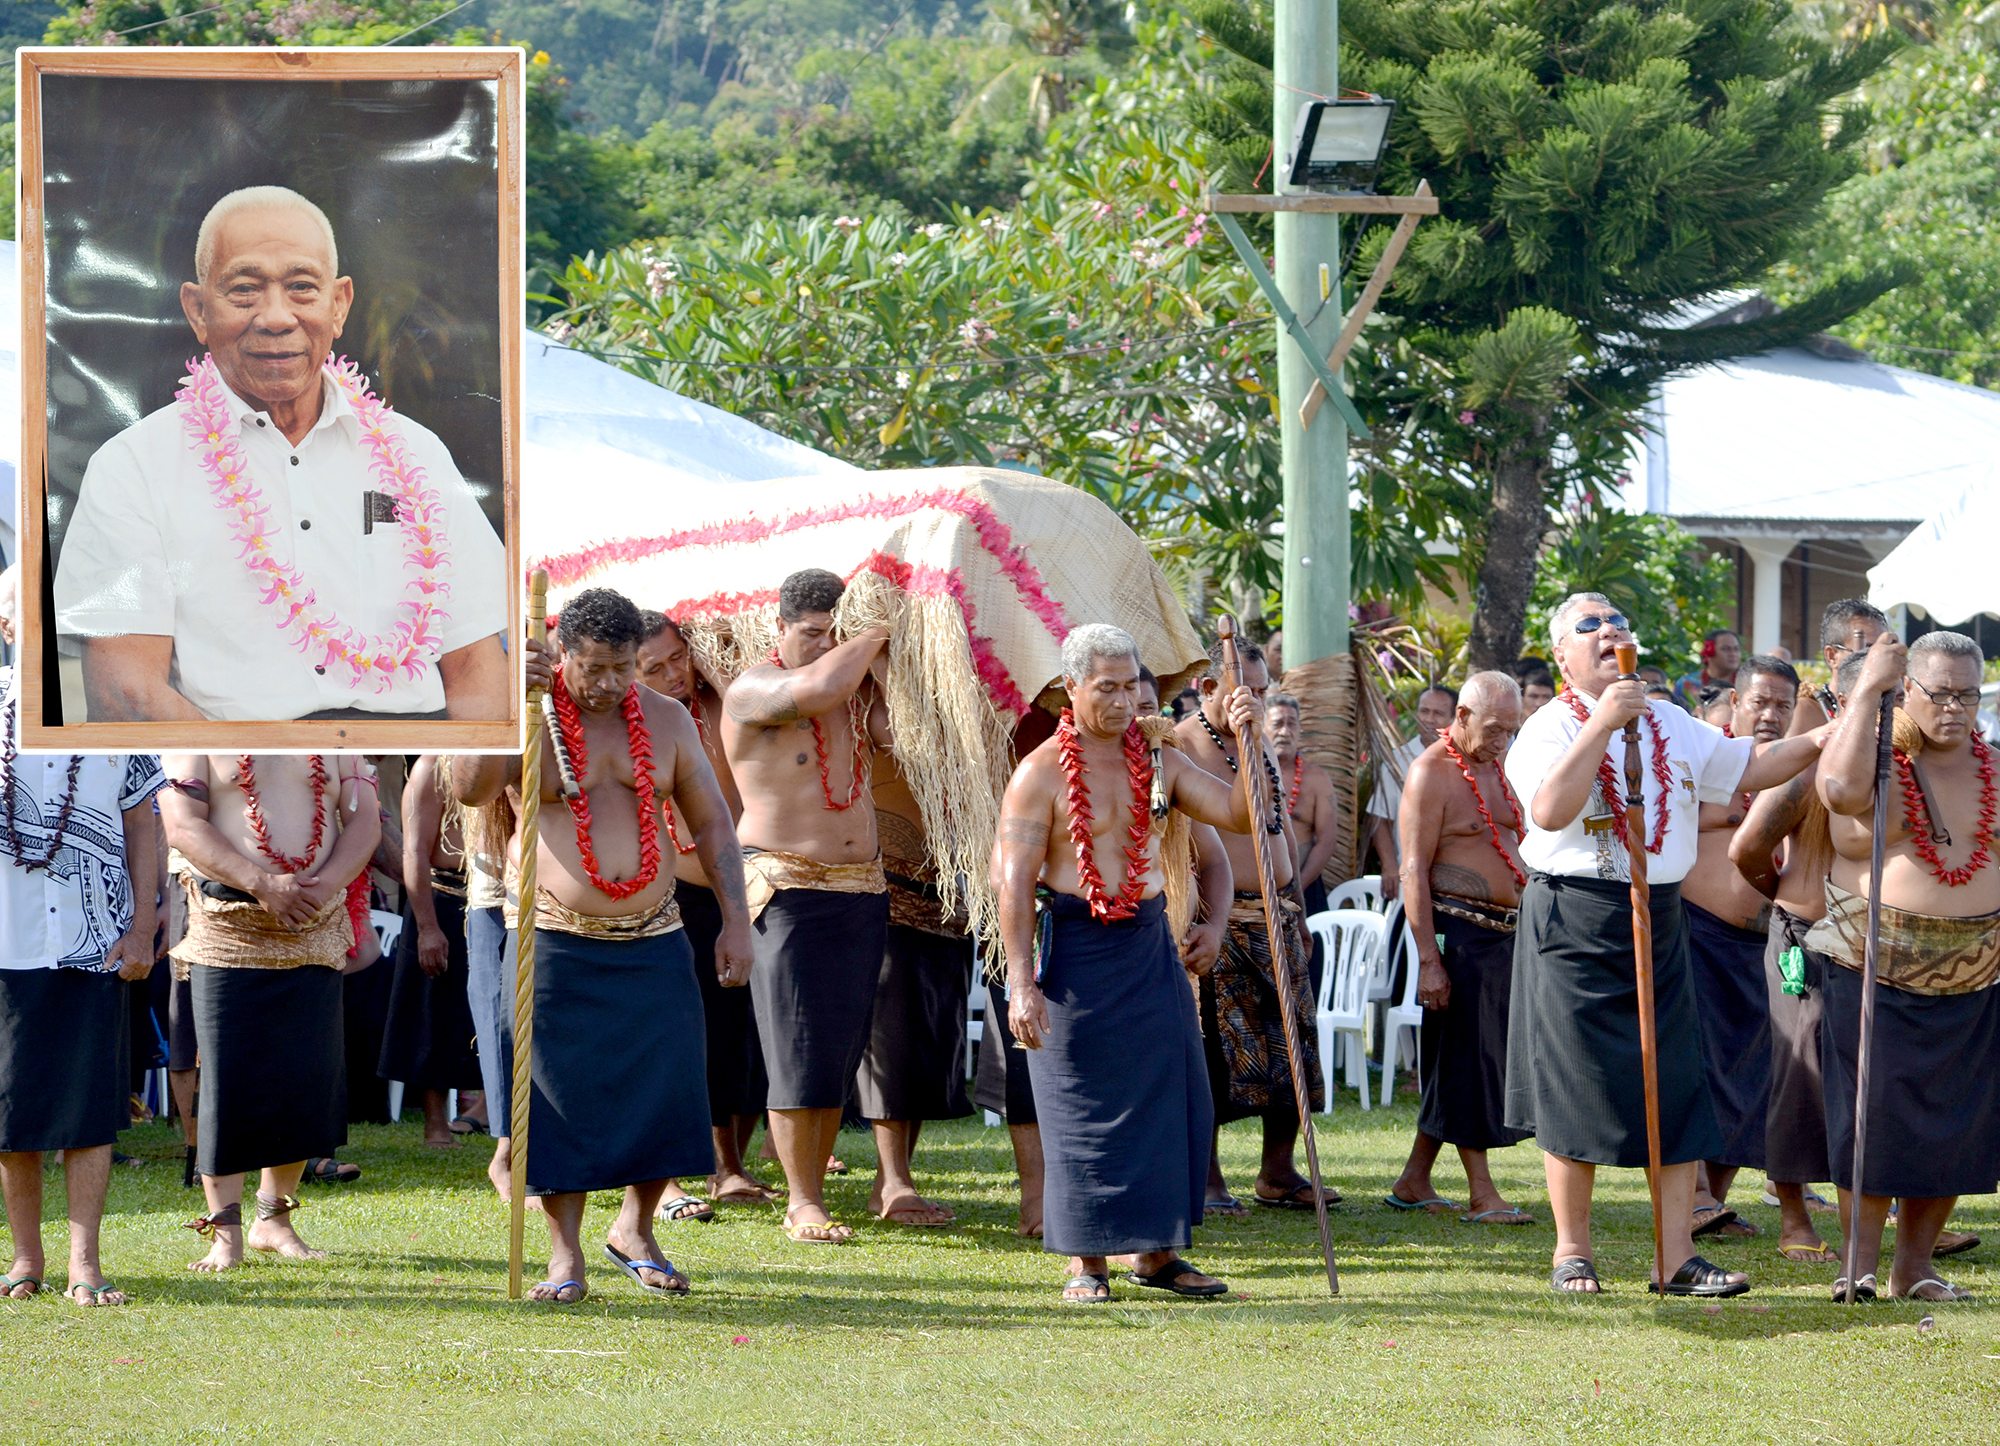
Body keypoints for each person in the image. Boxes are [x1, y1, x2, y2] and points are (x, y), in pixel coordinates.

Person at [54, 185, 508, 723]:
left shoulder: (418, 453)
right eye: (244, 290)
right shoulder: (133, 467)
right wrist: (254, 791)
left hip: (413, 775)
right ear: (198, 311)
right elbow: (125, 692)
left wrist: (463, 783)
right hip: (230, 780)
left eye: (301, 288)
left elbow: (477, 663)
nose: (275, 317)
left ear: (338, 305)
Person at [1503, 592, 1828, 1296]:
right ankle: (1571, 1253)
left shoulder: (1672, 723)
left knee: (1677, 1082)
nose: (1608, 631)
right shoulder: (1546, 729)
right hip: (1576, 916)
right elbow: (1551, 810)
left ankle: (1674, 1256)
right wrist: (1603, 726)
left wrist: (1829, 738)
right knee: (1574, 1085)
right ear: (1562, 654)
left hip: (1661, 912)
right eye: (1587, 626)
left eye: (1617, 620)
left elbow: (1749, 767)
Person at [452, 587, 754, 1303]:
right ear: (560, 654)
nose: (611, 684)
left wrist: (738, 921)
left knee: (668, 1088)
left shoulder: (668, 720)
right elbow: (470, 791)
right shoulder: (529, 713)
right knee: (559, 1099)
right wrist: (500, 703)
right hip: (554, 936)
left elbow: (712, 824)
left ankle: (636, 1229)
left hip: (655, 934)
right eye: (595, 669)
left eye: (624, 668)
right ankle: (564, 1258)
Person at [996, 623, 1267, 1303]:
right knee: (1078, 1105)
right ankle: (1087, 1262)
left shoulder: (1161, 760)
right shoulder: (1039, 774)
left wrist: (1246, 738)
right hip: (1072, 948)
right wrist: (1021, 982)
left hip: (1147, 941)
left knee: (1173, 1094)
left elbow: (1237, 816)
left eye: (1130, 686)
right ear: (1071, 688)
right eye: (1106, 688)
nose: (1122, 701)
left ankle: (1157, 1253)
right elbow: (1013, 882)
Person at [1814, 629, 2000, 1303]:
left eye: (1968, 693)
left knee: (1955, 1125)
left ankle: (1913, 1267)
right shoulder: (1874, 753)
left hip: (1975, 971)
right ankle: (1856, 1265)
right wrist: (1867, 688)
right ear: (1907, 690)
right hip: (1873, 962)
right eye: (1939, 692)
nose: (1955, 706)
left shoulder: (1994, 766)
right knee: (1871, 1121)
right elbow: (1836, 791)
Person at [721, 568, 894, 1245]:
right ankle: (801, 1202)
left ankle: (812, 1188)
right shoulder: (753, 689)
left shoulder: (855, 694)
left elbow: (896, 732)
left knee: (837, 1050)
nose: (826, 648)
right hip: (786, 886)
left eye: (836, 635)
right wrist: (882, 626)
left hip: (861, 887)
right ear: (780, 628)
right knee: (798, 1044)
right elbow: (819, 687)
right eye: (812, 633)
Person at [162, 753, 379, 1270]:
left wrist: (324, 887)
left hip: (314, 918)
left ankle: (273, 1220)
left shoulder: (336, 734)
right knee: (229, 1079)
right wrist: (261, 884)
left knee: (303, 1077)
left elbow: (365, 819)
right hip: (228, 921)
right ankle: (225, 1233)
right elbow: (182, 825)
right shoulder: (199, 730)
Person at [0, 669, 163, 1305]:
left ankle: (85, 1264)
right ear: (10, 622)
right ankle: (25, 1258)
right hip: (7, 940)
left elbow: (142, 819)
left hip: (93, 942)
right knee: (12, 1110)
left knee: (90, 1105)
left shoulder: (115, 703)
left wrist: (144, 925)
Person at [1177, 641, 1326, 1211]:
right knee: (1215, 1053)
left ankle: (1278, 1171)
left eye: (1262, 690)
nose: (1255, 700)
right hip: (1218, 919)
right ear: (1207, 689)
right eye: (1246, 689)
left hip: (1278, 915)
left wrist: (1298, 907)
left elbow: (1279, 827)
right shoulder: (1183, 745)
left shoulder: (1257, 741)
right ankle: (1209, 1177)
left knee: (1293, 1046)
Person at [636, 610, 774, 1218]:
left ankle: (729, 1165)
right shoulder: (632, 725)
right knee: (676, 1039)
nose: (673, 674)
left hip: (739, 892)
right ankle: (669, 1179)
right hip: (663, 901)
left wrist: (710, 667)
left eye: (677, 657)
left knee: (738, 1035)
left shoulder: (723, 708)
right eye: (654, 667)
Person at [1386, 672, 1534, 1225]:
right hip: (1456, 934)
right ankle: (1482, 1193)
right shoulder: (1431, 772)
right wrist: (1429, 960)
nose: (1503, 739)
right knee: (1469, 1060)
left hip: (1506, 934)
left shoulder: (1498, 767)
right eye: (1494, 728)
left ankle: (1414, 1179)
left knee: (1469, 1056)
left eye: (1511, 730)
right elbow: (1411, 870)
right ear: (1463, 716)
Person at [1680, 655, 1799, 1240]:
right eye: (1761, 702)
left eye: (1783, 705)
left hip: (1769, 945)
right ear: (1736, 698)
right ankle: (1694, 1196)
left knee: (1752, 1076)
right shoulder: (1702, 756)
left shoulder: (1799, 767)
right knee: (1698, 1068)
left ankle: (1716, 1199)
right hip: (1698, 931)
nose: (1772, 715)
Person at [376, 754, 482, 1149]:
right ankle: (435, 1125)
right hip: (441, 897)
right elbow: (414, 850)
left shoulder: (505, 761)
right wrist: (427, 927)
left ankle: (491, 1111)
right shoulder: (430, 769)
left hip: (495, 896)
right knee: (432, 1011)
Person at [1368, 685, 1457, 897]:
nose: (1429, 719)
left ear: (1455, 718)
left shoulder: (1465, 762)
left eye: (1439, 713)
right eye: (1424, 711)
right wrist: (1389, 865)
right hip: (1409, 877)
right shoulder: (1397, 759)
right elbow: (1380, 817)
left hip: (1456, 880)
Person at [1791, 600, 1892, 735]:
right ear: (1832, 656)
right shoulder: (1807, 711)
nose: (1877, 659)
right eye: (1866, 650)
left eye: (1883, 650)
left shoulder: (1893, 707)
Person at [1676, 629, 1743, 715]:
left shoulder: (1746, 683)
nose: (1733, 654)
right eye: (1725, 649)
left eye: (1736, 649)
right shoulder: (1685, 684)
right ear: (1709, 651)